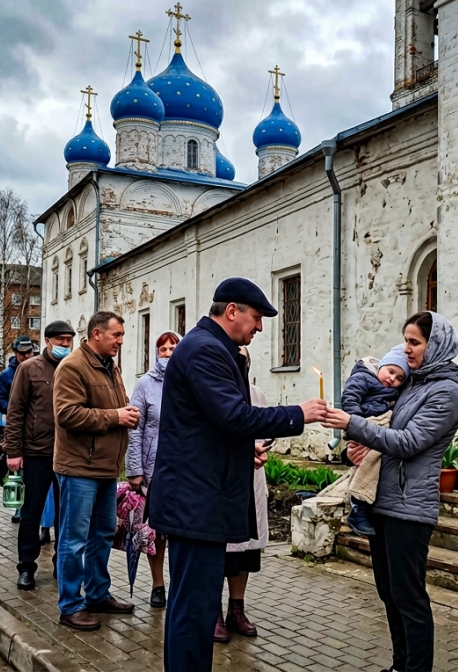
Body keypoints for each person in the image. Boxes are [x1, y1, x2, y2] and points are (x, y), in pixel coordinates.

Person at [148, 277, 328, 671]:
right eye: (257, 317)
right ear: (232, 311)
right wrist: (299, 413)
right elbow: (233, 415)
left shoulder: (209, 347)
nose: (260, 328)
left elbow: (209, 425)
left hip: (199, 502)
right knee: (193, 613)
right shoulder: (205, 350)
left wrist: (245, 450)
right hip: (196, 506)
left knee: (193, 608)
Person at [321, 311, 458, 672]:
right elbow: (382, 429)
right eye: (405, 340)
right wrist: (353, 447)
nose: (406, 349)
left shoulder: (446, 393)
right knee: (389, 594)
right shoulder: (412, 384)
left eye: (414, 342)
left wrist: (351, 423)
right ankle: (400, 664)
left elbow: (408, 442)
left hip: (410, 508)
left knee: (409, 597)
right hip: (383, 501)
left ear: (435, 345)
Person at [51, 310, 138, 631]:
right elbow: (68, 415)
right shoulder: (73, 366)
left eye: (122, 336)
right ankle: (71, 606)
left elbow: (113, 407)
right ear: (97, 334)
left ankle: (98, 594)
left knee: (103, 534)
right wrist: (116, 416)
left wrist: (128, 412)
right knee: (73, 540)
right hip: (78, 469)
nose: (121, 341)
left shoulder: (109, 367)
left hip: (105, 468)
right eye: (117, 335)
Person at [4, 323, 72, 590]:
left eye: (68, 340)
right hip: (36, 452)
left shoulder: (74, 366)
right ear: (47, 341)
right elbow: (16, 410)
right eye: (60, 340)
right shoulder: (29, 368)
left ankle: (61, 564)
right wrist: (13, 450)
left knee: (65, 514)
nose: (65, 345)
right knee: (32, 512)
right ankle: (26, 566)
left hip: (68, 453)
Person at [214, 345, 272, 644]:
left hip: (250, 479)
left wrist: (261, 449)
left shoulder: (256, 393)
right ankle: (213, 613)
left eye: (244, 362)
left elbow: (263, 428)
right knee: (220, 552)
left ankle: (237, 608)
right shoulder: (214, 392)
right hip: (223, 482)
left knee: (245, 551)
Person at [125, 330, 180, 608]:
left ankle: (180, 586)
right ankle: (158, 584)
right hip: (153, 468)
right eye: (163, 350)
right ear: (155, 354)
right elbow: (134, 430)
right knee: (154, 529)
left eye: (173, 348)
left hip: (184, 469)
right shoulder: (144, 385)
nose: (168, 354)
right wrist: (135, 469)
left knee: (182, 530)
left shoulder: (189, 382)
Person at [340, 345, 409, 536]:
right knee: (367, 462)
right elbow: (350, 400)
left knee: (371, 463)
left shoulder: (393, 390)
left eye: (399, 378)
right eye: (391, 371)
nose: (392, 379)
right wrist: (357, 428)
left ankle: (361, 507)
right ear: (382, 365)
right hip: (362, 425)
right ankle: (358, 507)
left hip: (377, 429)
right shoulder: (363, 377)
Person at [0, 335, 35, 523]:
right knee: (17, 471)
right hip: (17, 426)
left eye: (30, 352)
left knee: (34, 473)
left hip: (37, 428)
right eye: (23, 353)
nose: (27, 356)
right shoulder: (6, 375)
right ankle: (19, 508)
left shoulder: (38, 369)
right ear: (15, 353)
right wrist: (15, 409)